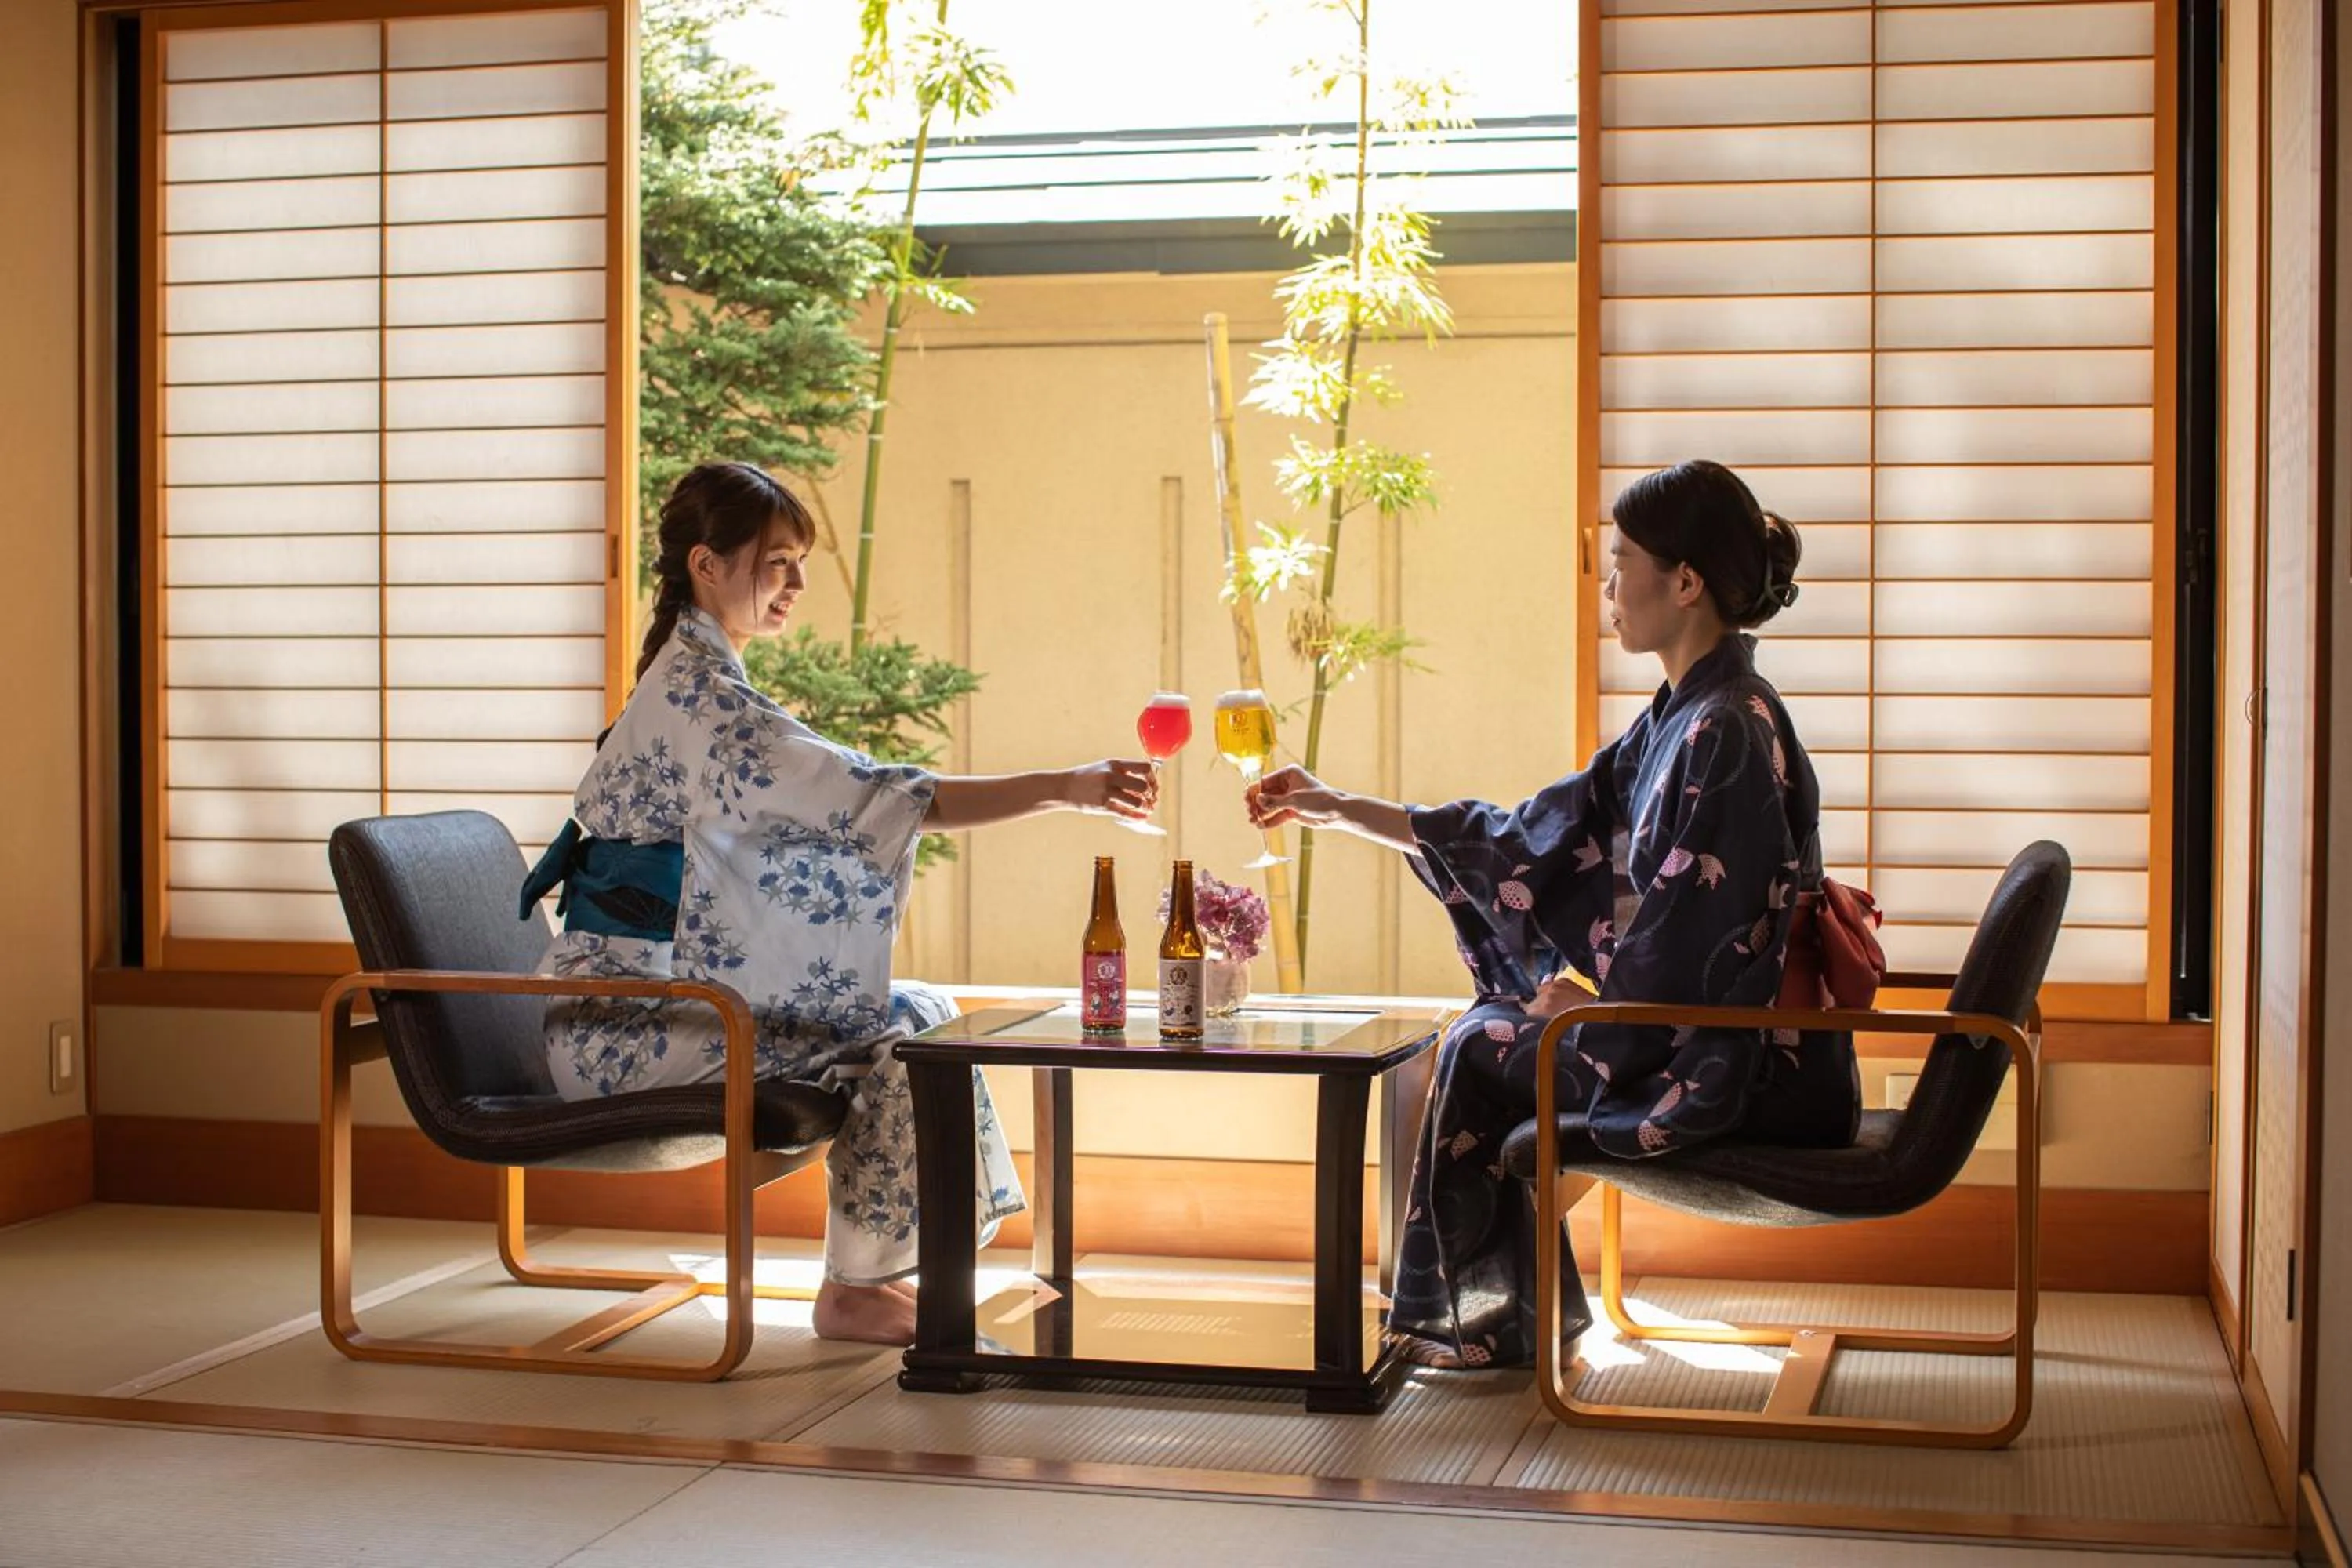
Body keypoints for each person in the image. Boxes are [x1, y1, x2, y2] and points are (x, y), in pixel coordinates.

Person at [1247, 459, 1860, 1369]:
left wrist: (1598, 1010)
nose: (1609, 587)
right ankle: (1495, 1314)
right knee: (1491, 1029)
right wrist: (1338, 807)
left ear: (1685, 582)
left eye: (1623, 562)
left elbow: (1708, 936)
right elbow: (1535, 838)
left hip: (1746, 1063)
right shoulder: (1688, 713)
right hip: (1706, 1035)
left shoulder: (1725, 726)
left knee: (1479, 1045)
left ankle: (1488, 1321)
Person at [528, 461, 1158, 1346]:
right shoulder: (700, 699)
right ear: (706, 564)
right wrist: (1066, 786)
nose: (796, 583)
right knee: (898, 1031)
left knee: (924, 1010)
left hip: (666, 999)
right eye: (777, 562)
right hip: (622, 1026)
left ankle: (876, 1275)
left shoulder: (700, 679)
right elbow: (874, 797)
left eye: (800, 563)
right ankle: (857, 1289)